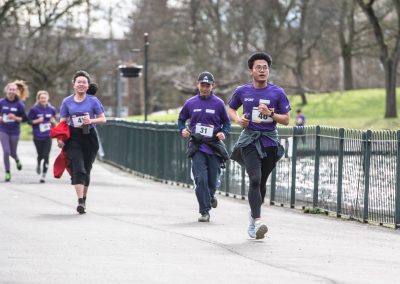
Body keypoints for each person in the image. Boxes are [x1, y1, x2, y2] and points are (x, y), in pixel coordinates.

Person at [228, 52, 291, 239]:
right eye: (258, 68)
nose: (262, 71)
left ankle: (253, 216)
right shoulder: (242, 91)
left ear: (268, 71)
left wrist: (271, 114)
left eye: (265, 68)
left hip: (269, 141)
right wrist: (239, 120)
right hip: (249, 140)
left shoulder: (277, 92)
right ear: (251, 71)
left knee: (262, 182)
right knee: (254, 179)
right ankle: (257, 221)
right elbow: (231, 108)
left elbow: (286, 120)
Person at [178, 71, 230, 222]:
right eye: (202, 85)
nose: (205, 88)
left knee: (212, 181)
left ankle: (211, 196)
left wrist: (223, 133)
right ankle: (204, 212)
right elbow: (181, 120)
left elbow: (226, 123)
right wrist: (183, 130)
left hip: (213, 146)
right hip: (197, 146)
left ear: (213, 86)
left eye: (208, 85)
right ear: (197, 85)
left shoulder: (219, 103)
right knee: (200, 179)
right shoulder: (191, 103)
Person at [57, 70, 106, 214]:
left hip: (89, 135)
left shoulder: (93, 100)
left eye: (84, 82)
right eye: (78, 82)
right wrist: (60, 138)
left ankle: (84, 200)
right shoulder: (67, 101)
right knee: (78, 168)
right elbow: (62, 122)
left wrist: (90, 120)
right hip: (73, 137)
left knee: (86, 169)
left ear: (87, 85)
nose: (81, 84)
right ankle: (79, 202)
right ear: (74, 84)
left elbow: (103, 119)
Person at [0, 81, 29, 182]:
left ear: (16, 91)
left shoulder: (19, 104)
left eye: (13, 90)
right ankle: (8, 172)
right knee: (6, 151)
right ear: (6, 90)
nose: (11, 91)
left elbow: (25, 119)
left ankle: (16, 160)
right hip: (3, 130)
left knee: (12, 152)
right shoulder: (1, 102)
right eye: (10, 89)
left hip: (15, 131)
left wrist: (15, 117)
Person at [28, 90, 57, 183]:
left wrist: (53, 122)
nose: (43, 99)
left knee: (46, 155)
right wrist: (37, 121)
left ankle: (43, 175)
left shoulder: (52, 109)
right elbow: (28, 121)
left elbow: (55, 123)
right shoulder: (34, 109)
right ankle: (38, 163)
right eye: (41, 98)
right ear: (38, 99)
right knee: (40, 155)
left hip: (48, 136)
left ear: (47, 98)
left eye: (45, 98)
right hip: (37, 136)